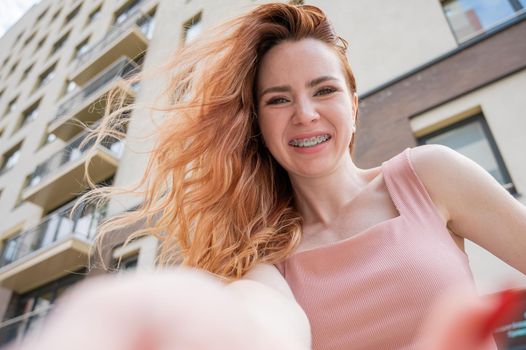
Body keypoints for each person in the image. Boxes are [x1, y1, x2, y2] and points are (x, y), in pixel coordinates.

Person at [9, 3, 526, 350]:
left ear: (353, 103)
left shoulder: (428, 175)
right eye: (278, 99)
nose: (304, 113)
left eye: (323, 90)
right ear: (257, 124)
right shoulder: (263, 257)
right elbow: (261, 325)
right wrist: (170, 318)